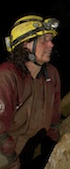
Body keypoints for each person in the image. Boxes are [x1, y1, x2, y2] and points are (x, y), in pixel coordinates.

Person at [0, 14, 62, 168]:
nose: (51, 45)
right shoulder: (7, 75)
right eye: (44, 41)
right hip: (7, 154)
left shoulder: (51, 74)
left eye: (50, 39)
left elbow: (54, 118)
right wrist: (11, 162)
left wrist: (52, 150)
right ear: (25, 45)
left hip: (33, 149)